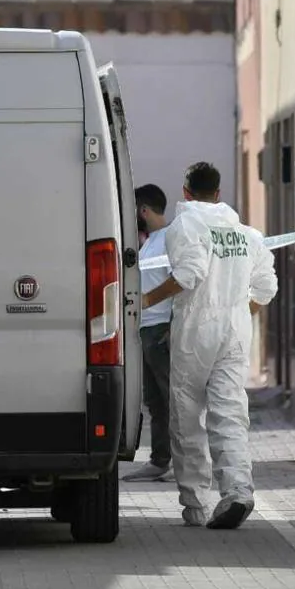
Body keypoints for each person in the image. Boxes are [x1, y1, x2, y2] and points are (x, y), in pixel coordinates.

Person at [141, 162, 278, 530]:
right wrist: (238, 312)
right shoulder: (247, 233)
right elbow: (266, 288)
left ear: (185, 192)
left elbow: (188, 275)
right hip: (236, 328)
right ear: (219, 194)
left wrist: (143, 300)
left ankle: (197, 505)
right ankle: (237, 492)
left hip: (196, 328)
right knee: (230, 413)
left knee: (187, 415)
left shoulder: (185, 225)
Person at [123, 184, 174, 483]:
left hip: (160, 331)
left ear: (143, 210)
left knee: (172, 401)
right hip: (146, 331)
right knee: (155, 401)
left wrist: (172, 326)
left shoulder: (169, 240)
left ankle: (184, 461)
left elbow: (184, 281)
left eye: (134, 211)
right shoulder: (150, 242)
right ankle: (159, 460)